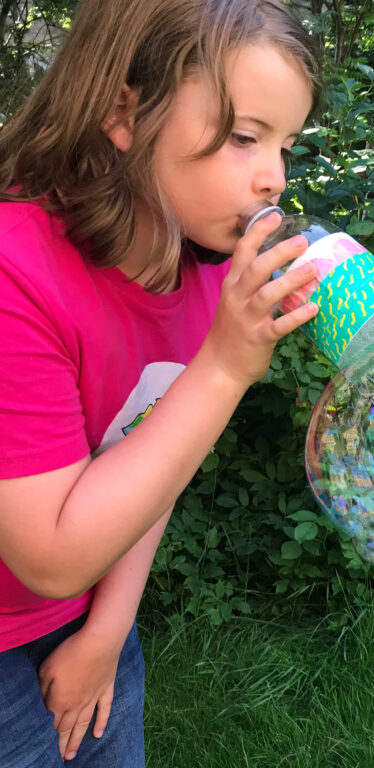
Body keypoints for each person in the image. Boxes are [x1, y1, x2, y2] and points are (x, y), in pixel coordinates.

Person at [0, 1, 322, 764]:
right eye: (245, 137)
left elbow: (150, 459)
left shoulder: (202, 279)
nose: (273, 176)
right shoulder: (15, 272)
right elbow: (47, 555)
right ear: (124, 113)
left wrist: (106, 634)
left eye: (286, 144)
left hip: (92, 614)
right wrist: (223, 369)